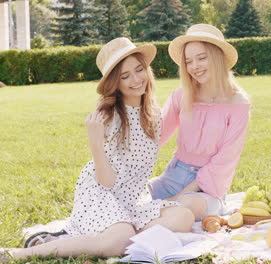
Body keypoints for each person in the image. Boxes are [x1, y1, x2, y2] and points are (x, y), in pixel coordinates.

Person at [0, 38, 194, 262]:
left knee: (183, 216)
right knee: (117, 241)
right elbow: (107, 182)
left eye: (139, 70)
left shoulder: (153, 113)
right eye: (125, 76)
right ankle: (21, 253)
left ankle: (92, 239)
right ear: (115, 83)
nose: (136, 79)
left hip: (133, 198)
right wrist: (95, 145)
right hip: (101, 192)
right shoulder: (107, 116)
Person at [147, 24, 251, 220]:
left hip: (207, 188)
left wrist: (177, 198)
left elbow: (225, 160)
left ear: (217, 57)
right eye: (188, 61)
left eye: (201, 58)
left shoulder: (238, 104)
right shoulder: (181, 95)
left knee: (184, 207)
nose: (194, 66)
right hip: (174, 175)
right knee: (136, 201)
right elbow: (155, 136)